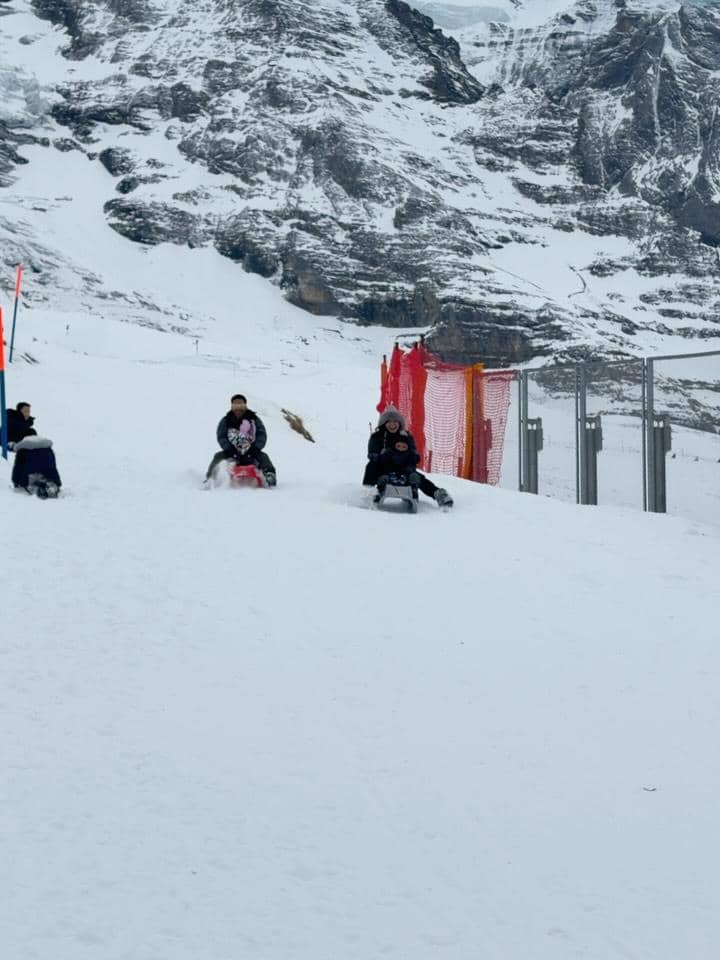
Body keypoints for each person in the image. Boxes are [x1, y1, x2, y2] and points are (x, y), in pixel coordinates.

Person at [363, 405, 453, 507]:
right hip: (383, 467)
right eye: (389, 421)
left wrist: (408, 459)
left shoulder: (405, 436)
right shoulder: (377, 436)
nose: (392, 424)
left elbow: (414, 455)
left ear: (399, 423)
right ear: (384, 423)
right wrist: (383, 456)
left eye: (395, 421)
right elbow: (372, 454)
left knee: (417, 477)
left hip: (403, 468)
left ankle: (438, 494)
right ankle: (368, 492)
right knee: (371, 466)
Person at [204, 394, 277, 487]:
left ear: (245, 406)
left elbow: (261, 434)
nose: (238, 408)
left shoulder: (254, 419)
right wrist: (229, 449)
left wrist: (255, 448)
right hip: (232, 452)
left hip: (251, 451)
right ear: (232, 407)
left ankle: (270, 476)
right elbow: (221, 436)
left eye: (241, 405)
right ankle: (210, 478)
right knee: (218, 456)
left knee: (263, 457)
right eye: (235, 405)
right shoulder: (226, 420)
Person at [5, 403, 62, 498]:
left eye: (29, 411)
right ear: (19, 411)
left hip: (29, 450)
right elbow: (4, 440)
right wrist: (11, 445)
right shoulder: (11, 424)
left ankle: (43, 482)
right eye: (25, 411)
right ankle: (45, 482)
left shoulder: (29, 429)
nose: (28, 413)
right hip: (23, 449)